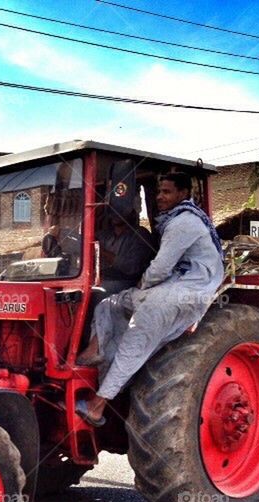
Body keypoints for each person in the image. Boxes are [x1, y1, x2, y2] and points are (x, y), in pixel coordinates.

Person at [75, 172, 224, 426]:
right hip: (174, 284)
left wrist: (141, 285)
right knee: (109, 304)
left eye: (166, 192)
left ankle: (97, 406)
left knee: (137, 334)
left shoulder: (183, 222)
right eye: (158, 192)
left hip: (190, 289)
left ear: (183, 194)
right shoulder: (172, 221)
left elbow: (160, 268)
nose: (160, 197)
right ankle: (95, 350)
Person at [98, 207, 157, 294]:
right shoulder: (105, 235)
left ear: (132, 212)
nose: (116, 213)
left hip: (128, 282)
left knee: (97, 290)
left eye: (122, 209)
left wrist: (102, 252)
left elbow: (132, 268)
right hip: (104, 278)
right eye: (113, 210)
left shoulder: (140, 234)